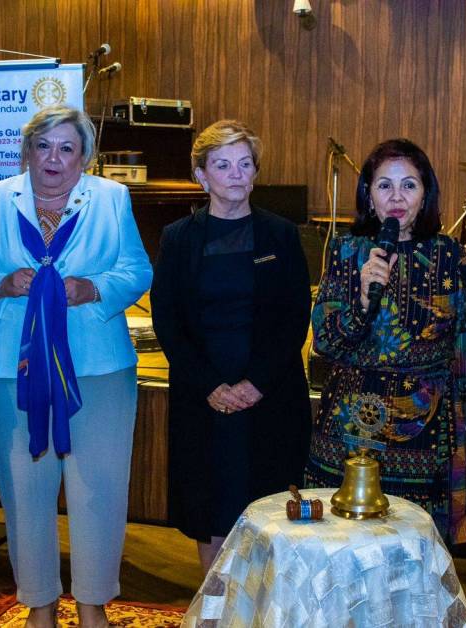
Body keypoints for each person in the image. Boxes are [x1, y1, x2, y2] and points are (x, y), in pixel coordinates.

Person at [0, 105, 151, 628]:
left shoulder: (111, 198)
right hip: (14, 368)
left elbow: (137, 269)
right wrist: (2, 284)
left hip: (99, 368)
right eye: (43, 145)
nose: (54, 158)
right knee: (25, 489)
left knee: (99, 490)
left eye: (67, 148)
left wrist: (94, 288)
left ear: (84, 157)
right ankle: (39, 604)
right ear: (26, 151)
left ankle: (93, 605)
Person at [150, 119, 311, 573]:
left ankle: (268, 605)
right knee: (211, 508)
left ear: (256, 172)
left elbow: (295, 317)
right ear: (201, 176)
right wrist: (212, 386)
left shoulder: (281, 235)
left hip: (270, 394)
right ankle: (217, 602)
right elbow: (168, 322)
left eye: (245, 164)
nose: (236, 174)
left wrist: (255, 383)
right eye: (222, 165)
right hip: (204, 397)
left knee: (271, 507)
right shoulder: (177, 238)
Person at [303, 138, 466, 544]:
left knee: (411, 550)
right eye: (385, 185)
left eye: (408, 185)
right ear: (369, 195)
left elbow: (465, 350)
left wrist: (464, 430)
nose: (396, 197)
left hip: (424, 435)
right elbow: (324, 343)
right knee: (341, 546)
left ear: (425, 194)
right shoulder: (346, 252)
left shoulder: (449, 255)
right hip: (349, 428)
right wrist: (362, 301)